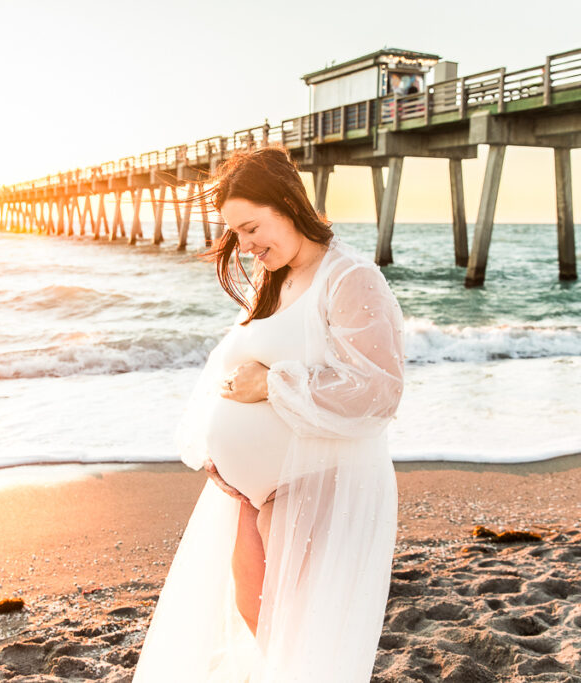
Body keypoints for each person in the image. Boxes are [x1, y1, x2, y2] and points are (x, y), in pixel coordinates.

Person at [131, 146, 406, 682]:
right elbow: (231, 367)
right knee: (255, 613)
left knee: (294, 631)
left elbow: (378, 390)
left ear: (288, 203)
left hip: (319, 482)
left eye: (252, 227)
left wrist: (273, 384)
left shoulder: (349, 277)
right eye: (237, 233)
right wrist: (219, 450)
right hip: (257, 491)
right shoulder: (273, 278)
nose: (246, 244)